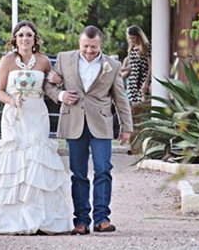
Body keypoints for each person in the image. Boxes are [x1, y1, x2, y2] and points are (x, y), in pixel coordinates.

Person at [0, 20, 73, 235]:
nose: (25, 38)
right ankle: (10, 216)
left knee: (36, 158)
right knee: (14, 158)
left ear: (34, 39)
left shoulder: (43, 61)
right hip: (15, 114)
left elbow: (49, 87)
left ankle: (40, 216)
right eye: (21, 35)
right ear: (15, 38)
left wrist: (57, 82)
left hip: (37, 113)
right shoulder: (7, 61)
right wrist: (12, 101)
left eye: (29, 35)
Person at [44, 25, 133, 236]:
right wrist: (60, 95)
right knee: (79, 174)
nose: (89, 51)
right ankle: (81, 221)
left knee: (103, 170)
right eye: (85, 46)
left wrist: (126, 127)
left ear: (100, 44)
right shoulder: (64, 59)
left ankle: (102, 219)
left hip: (101, 125)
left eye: (93, 47)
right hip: (74, 122)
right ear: (79, 43)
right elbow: (48, 85)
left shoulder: (112, 65)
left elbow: (121, 98)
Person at [121, 25, 152, 154]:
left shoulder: (146, 48)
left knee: (140, 115)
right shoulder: (132, 48)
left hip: (141, 81)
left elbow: (150, 67)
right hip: (132, 82)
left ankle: (141, 145)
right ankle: (134, 145)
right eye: (130, 38)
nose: (132, 40)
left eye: (134, 38)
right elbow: (131, 67)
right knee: (132, 115)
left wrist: (146, 82)